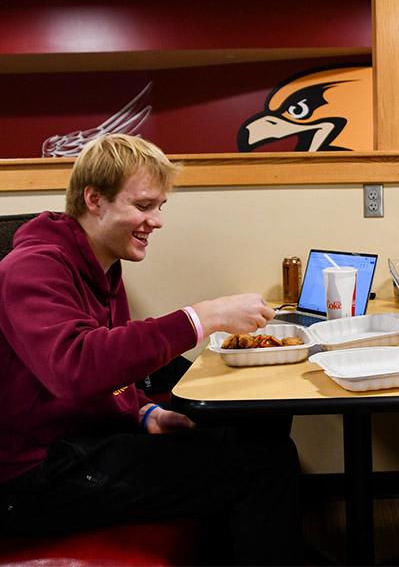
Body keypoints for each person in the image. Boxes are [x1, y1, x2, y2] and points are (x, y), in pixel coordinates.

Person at [0, 134, 302, 565]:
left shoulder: (100, 263)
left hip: (76, 441)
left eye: (160, 207)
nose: (156, 220)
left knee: (256, 427)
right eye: (143, 206)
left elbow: (112, 369)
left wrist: (143, 411)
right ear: (94, 200)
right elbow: (76, 367)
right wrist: (200, 317)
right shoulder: (32, 267)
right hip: (32, 476)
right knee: (264, 464)